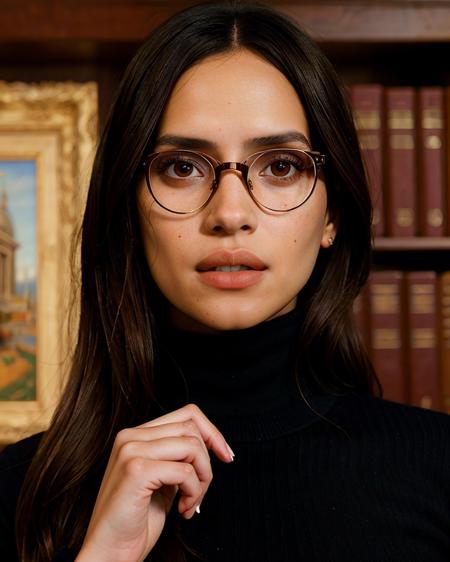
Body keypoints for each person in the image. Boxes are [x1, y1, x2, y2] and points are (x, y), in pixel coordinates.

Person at [1, 1, 449, 561]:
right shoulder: (14, 493)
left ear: (332, 216)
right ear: (127, 210)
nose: (230, 213)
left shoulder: (438, 467)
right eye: (183, 167)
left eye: (281, 166)